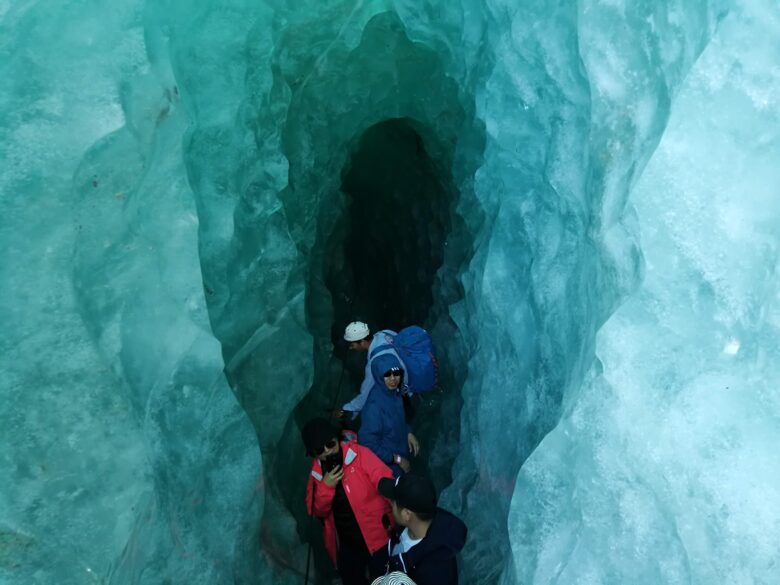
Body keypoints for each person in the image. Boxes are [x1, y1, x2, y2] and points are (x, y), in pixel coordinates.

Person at [303, 418, 394, 585]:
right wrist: (326, 487)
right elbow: (316, 511)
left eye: (330, 444)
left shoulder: (358, 455)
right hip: (347, 543)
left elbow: (384, 478)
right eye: (319, 450)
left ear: (337, 439)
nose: (327, 452)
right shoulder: (316, 474)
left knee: (384, 579)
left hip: (378, 536)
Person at [375, 473, 467, 585]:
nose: (391, 504)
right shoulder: (409, 525)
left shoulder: (433, 575)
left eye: (393, 502)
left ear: (407, 514)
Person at [359, 353, 420, 477]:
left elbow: (397, 418)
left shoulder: (393, 393)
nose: (393, 379)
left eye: (396, 374)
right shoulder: (374, 407)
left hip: (399, 451)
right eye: (387, 375)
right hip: (388, 468)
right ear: (379, 376)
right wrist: (397, 460)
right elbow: (367, 443)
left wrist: (408, 431)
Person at [339, 321, 403, 419]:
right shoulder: (385, 333)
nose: (351, 348)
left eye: (352, 345)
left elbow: (365, 393)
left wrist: (347, 409)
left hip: (408, 386)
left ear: (363, 342)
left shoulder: (375, 363)